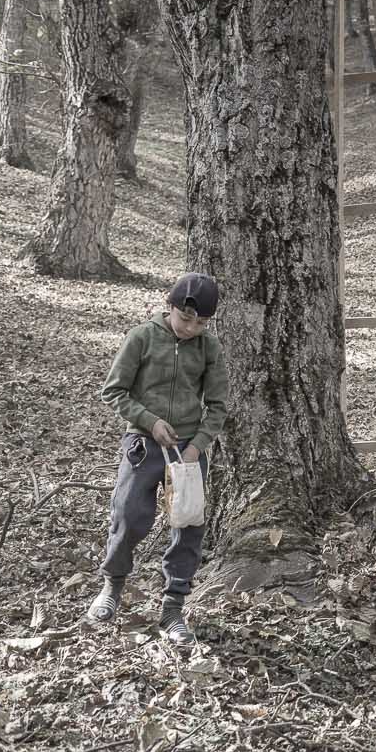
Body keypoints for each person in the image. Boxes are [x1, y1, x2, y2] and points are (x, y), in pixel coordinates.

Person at [89, 273, 227, 646]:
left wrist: (197, 445)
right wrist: (149, 422)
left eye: (201, 323)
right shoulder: (142, 338)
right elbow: (113, 391)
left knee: (187, 526)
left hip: (188, 450)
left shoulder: (208, 348)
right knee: (130, 516)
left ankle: (172, 608)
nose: (191, 328)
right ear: (169, 307)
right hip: (143, 444)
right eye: (186, 319)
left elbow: (218, 406)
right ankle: (112, 587)